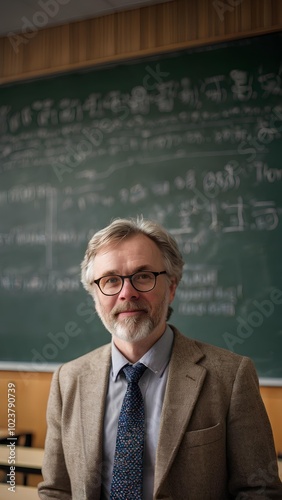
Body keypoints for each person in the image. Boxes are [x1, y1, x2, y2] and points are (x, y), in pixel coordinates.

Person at [38, 217, 282, 500]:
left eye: (143, 276)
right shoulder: (68, 380)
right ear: (95, 294)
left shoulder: (230, 377)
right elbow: (56, 490)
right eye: (111, 280)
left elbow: (259, 491)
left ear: (172, 287)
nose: (127, 293)